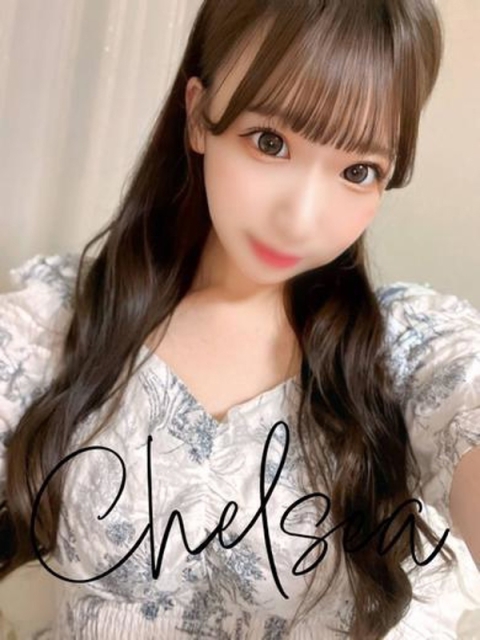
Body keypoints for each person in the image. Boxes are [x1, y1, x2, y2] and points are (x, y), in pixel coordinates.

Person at [1, 1, 480, 638]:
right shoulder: (62, 315)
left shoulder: (405, 351)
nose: (300, 218)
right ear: (199, 114)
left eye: (358, 171)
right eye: (270, 142)